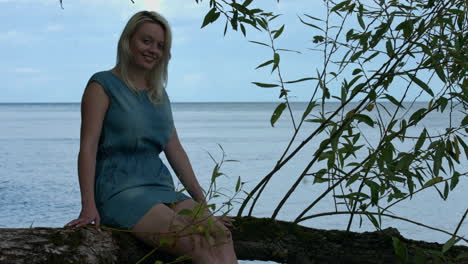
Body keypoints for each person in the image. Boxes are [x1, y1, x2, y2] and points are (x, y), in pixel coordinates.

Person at [66, 10, 238, 264]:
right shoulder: (101, 85)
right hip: (119, 192)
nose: (153, 50)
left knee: (220, 234)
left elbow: (175, 150)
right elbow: (88, 148)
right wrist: (88, 206)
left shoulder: (159, 94)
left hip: (161, 189)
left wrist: (204, 207)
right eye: (146, 41)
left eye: (160, 46)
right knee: (194, 241)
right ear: (128, 41)